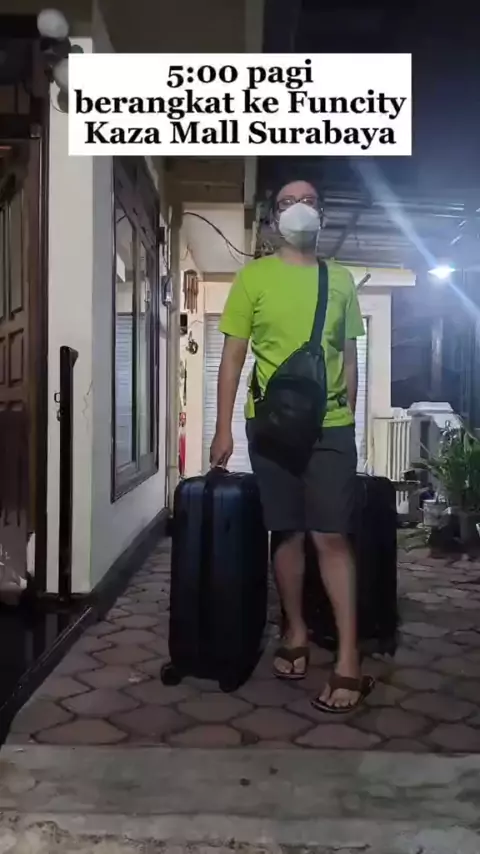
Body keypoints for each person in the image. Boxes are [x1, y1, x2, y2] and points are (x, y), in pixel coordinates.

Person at [210, 177, 374, 713]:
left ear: (321, 214)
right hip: (271, 426)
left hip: (329, 427)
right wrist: (222, 427)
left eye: (307, 201)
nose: (298, 209)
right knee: (286, 531)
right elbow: (233, 357)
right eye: (286, 202)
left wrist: (347, 421)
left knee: (331, 535)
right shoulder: (253, 278)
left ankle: (348, 659)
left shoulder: (340, 280)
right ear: (271, 218)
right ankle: (296, 629)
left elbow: (348, 358)